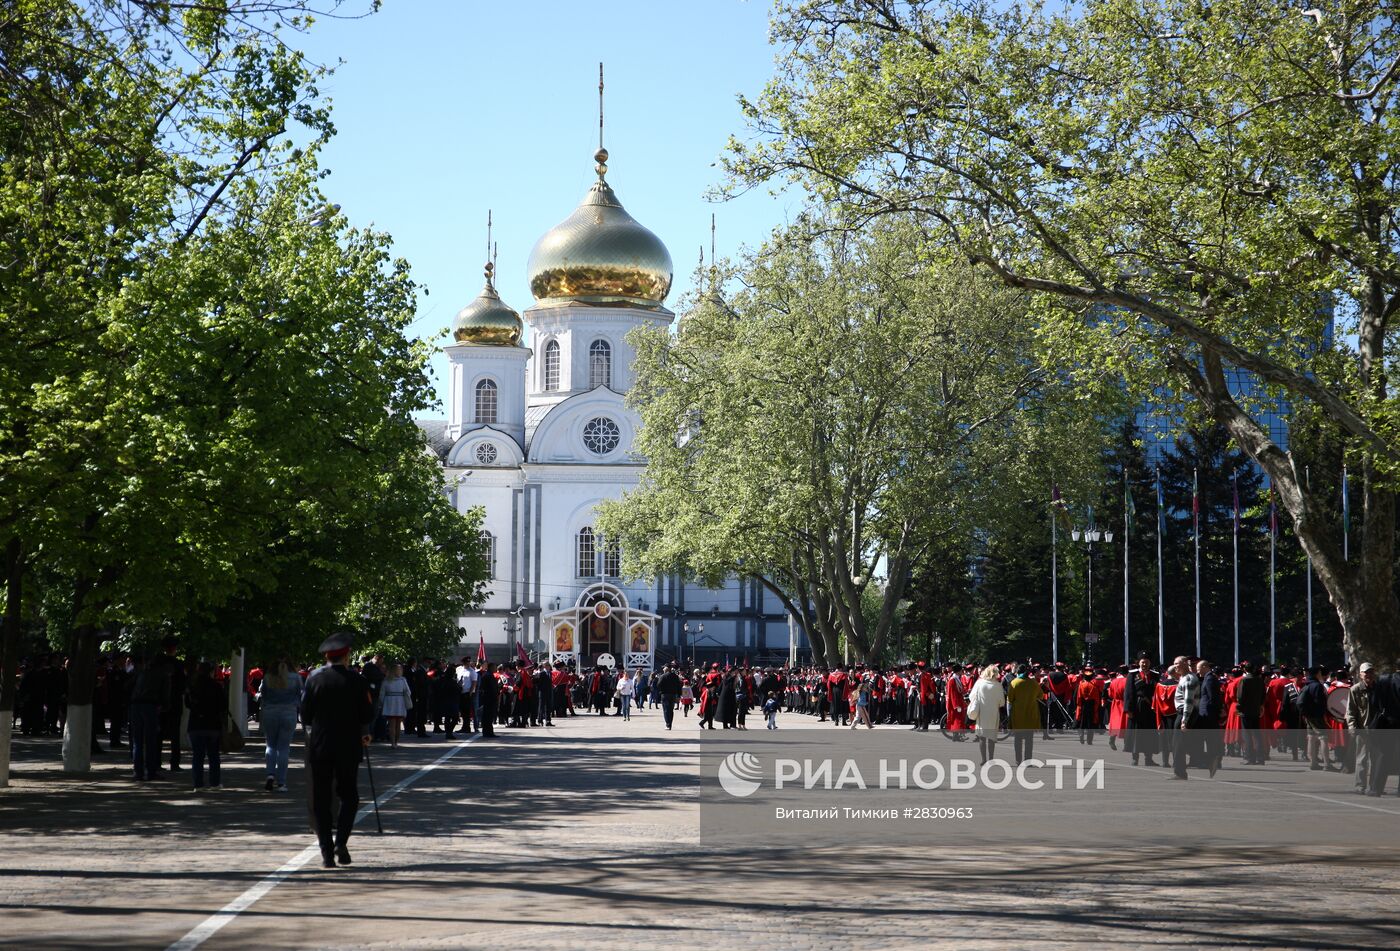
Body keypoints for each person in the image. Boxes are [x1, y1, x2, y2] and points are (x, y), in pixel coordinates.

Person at [301, 632, 374, 869]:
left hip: (321, 746)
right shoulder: (357, 680)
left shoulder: (314, 679)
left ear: (327, 657)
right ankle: (340, 842)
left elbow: (305, 715)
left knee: (321, 800)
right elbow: (366, 714)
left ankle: (326, 853)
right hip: (348, 746)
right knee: (349, 796)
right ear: (346, 656)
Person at [258, 659, 303, 792]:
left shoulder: (267, 678)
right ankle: (281, 782)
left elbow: (263, 696)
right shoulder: (296, 678)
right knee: (283, 748)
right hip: (289, 713)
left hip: (270, 713)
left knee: (270, 745)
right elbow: (300, 695)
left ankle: (270, 774)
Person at [126, 653, 170, 781]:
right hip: (150, 706)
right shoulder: (163, 674)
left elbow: (128, 685)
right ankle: (151, 771)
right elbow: (165, 694)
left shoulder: (142, 672)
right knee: (150, 741)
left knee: (137, 741)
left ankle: (138, 772)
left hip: (135, 705)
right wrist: (165, 706)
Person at [184, 662, 226, 792]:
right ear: (211, 671)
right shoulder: (216, 686)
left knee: (198, 756)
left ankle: (198, 784)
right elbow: (222, 706)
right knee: (213, 755)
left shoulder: (193, 686)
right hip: (212, 724)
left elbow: (187, 704)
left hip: (196, 724)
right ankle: (214, 783)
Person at [1346, 662, 1377, 794]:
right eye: (1366, 672)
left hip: (1377, 729)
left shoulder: (1379, 688)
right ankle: (1360, 786)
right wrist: (1352, 727)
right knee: (1362, 759)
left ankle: (1375, 786)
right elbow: (1350, 711)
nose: (1368, 675)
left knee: (1377, 759)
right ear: (1360, 675)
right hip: (1362, 729)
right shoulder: (1355, 689)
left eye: (1371, 672)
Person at [967, 663, 1005, 764]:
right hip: (993, 713)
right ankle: (991, 759)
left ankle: (984, 759)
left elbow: (971, 697)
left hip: (982, 713)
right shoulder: (998, 685)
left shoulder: (979, 683)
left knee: (982, 737)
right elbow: (1002, 702)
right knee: (992, 737)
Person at [1299, 666, 1335, 771]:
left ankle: (1313, 762)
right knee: (1323, 738)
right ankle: (1327, 764)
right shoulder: (1317, 686)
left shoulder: (1307, 685)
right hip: (1317, 715)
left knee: (1311, 738)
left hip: (1308, 715)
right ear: (1317, 673)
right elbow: (1320, 702)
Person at [1170, 656, 1200, 781]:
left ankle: (1180, 772)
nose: (1175, 666)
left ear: (1184, 664)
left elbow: (1188, 701)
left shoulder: (1188, 679)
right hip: (1184, 713)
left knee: (1178, 744)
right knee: (1179, 743)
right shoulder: (1184, 677)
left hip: (1185, 713)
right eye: (1174, 663)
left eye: (1177, 664)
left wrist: (1184, 720)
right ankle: (1180, 771)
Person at [1006, 664, 1042, 764]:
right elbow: (1041, 696)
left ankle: (1018, 760)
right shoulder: (1033, 683)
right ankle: (1028, 760)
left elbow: (1010, 699)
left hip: (1018, 715)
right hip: (1031, 714)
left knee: (1017, 739)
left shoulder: (1014, 682)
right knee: (1029, 739)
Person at [380, 664, 411, 747]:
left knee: (392, 724)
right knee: (398, 724)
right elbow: (408, 692)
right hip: (400, 702)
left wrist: (382, 703)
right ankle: (396, 742)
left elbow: (382, 694)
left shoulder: (386, 680)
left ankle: (393, 742)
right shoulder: (403, 680)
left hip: (389, 702)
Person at [1076, 667, 1103, 745]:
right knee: (1090, 723)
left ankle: (1081, 737)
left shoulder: (1081, 685)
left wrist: (1079, 706)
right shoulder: (1094, 686)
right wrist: (1096, 707)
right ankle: (1089, 740)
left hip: (1083, 705)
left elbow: (1079, 697)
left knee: (1082, 722)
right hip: (1091, 706)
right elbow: (1097, 698)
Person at [656, 664, 682, 730]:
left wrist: (660, 692)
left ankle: (668, 724)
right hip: (673, 695)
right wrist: (679, 695)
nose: (663, 669)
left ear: (666, 669)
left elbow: (658, 685)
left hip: (665, 695)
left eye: (664, 668)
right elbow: (679, 686)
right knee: (671, 710)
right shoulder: (675, 676)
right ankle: (670, 723)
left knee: (666, 710)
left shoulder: (662, 676)